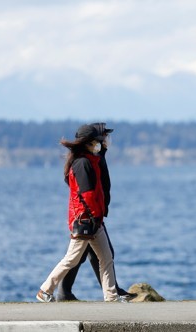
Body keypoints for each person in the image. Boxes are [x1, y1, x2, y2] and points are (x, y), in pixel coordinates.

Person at [36, 124, 126, 303]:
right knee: (71, 259)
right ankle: (45, 290)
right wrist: (93, 216)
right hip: (86, 220)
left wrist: (98, 217)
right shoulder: (82, 163)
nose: (99, 144)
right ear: (88, 143)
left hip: (95, 220)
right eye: (96, 142)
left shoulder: (89, 160)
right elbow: (87, 195)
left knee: (106, 257)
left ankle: (111, 296)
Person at [56, 123, 136, 301]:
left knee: (84, 255)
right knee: (92, 255)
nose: (107, 140)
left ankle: (67, 292)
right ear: (94, 141)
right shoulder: (90, 159)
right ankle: (109, 291)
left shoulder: (97, 156)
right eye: (105, 136)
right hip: (90, 215)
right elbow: (87, 191)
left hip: (94, 213)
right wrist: (93, 215)